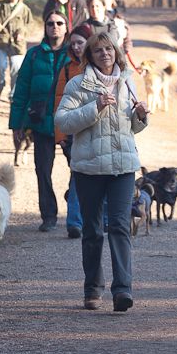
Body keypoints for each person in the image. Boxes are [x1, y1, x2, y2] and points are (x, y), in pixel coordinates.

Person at [55, 32, 149, 313]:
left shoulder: (127, 82)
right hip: (89, 169)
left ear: (116, 53)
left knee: (120, 226)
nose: (105, 54)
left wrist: (141, 116)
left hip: (123, 167)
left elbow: (132, 127)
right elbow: (63, 121)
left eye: (109, 49)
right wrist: (93, 107)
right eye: (98, 51)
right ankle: (92, 288)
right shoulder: (78, 84)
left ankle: (123, 290)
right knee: (93, 230)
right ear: (90, 56)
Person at [9, 10, 70, 232]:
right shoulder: (34, 55)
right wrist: (16, 124)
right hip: (41, 121)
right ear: (45, 27)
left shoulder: (75, 55)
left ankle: (76, 213)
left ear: (66, 27)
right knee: (42, 171)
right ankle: (49, 215)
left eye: (59, 23)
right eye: (50, 23)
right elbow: (21, 89)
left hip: (70, 123)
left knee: (80, 170)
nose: (54, 26)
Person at [54, 23, 92, 239]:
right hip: (74, 134)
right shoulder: (67, 69)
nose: (77, 47)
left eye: (81, 42)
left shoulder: (102, 66)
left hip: (98, 132)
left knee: (102, 176)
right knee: (77, 177)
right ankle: (74, 222)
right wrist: (61, 137)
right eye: (74, 43)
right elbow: (58, 104)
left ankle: (103, 219)